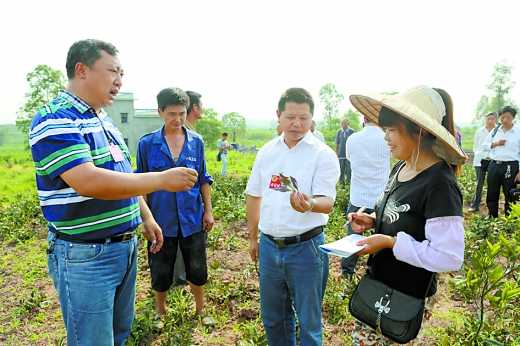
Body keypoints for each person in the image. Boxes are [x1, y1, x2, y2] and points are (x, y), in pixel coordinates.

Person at [29, 39, 198, 345]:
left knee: (118, 335)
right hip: (86, 255)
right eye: (112, 72)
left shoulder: (103, 120)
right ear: (82, 70)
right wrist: (160, 180)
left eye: (122, 74)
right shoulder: (57, 118)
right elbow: (89, 181)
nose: (119, 81)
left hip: (123, 248)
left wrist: (144, 214)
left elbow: (123, 175)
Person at [348, 86, 466, 344]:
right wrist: (372, 220)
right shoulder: (400, 168)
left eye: (392, 131)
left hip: (405, 296)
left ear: (419, 131)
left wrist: (391, 243)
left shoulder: (439, 184)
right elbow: (402, 216)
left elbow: (449, 257)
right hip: (380, 284)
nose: (386, 138)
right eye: (385, 131)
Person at [246, 88, 340, 346]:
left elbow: (327, 202)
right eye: (290, 117)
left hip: (305, 248)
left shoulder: (322, 155)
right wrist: (253, 238)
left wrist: (309, 204)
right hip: (269, 245)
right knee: (274, 318)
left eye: (304, 118)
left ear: (312, 119)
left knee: (309, 322)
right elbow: (254, 195)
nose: (297, 124)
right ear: (278, 116)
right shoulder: (267, 152)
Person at [136, 87, 215, 327]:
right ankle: (160, 311)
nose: (177, 119)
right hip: (161, 220)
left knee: (197, 266)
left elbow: (203, 179)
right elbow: (140, 183)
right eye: (171, 114)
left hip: (192, 217)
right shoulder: (147, 144)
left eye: (182, 113)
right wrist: (146, 218)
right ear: (160, 112)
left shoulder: (196, 142)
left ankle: (200, 309)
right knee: (160, 267)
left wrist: (208, 211)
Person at [341, 115, 390, 278]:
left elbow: (349, 159)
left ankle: (347, 273)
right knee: (381, 239)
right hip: (380, 199)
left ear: (364, 118)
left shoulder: (353, 139)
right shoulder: (387, 138)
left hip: (358, 197)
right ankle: (378, 274)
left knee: (353, 238)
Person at [484, 106, 520, 217]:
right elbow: (484, 146)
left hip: (511, 166)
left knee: (510, 194)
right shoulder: (495, 131)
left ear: (513, 118)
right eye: (502, 117)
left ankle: (509, 219)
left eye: (508, 117)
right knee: (492, 193)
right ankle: (492, 216)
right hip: (494, 165)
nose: (504, 120)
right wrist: (496, 143)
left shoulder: (518, 132)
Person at [468, 112, 497, 212]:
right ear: (485, 119)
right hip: (480, 161)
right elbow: (475, 146)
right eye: (488, 119)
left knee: (493, 184)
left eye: (492, 119)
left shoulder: (498, 131)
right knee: (479, 183)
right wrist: (479, 155)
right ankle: (475, 205)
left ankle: (491, 208)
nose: (490, 121)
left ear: (496, 120)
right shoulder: (479, 131)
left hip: (493, 161)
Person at [336, 119, 354, 184]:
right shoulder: (339, 132)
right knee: (341, 170)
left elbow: (353, 143)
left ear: (348, 124)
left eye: (345, 123)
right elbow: (337, 143)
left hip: (349, 154)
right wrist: (337, 153)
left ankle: (349, 183)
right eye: (342, 123)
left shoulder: (351, 131)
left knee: (349, 170)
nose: (343, 124)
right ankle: (341, 183)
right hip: (341, 154)